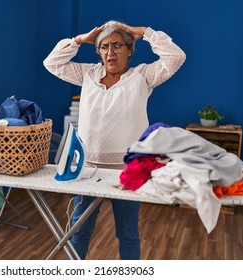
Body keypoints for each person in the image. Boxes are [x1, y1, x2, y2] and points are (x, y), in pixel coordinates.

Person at [43, 20, 186, 260]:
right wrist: (81, 39)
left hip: (127, 171)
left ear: (130, 50)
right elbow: (52, 63)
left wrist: (144, 32)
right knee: (79, 231)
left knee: (128, 234)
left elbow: (175, 57)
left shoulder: (143, 76)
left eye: (118, 46)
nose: (110, 52)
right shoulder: (88, 74)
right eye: (104, 46)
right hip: (87, 167)